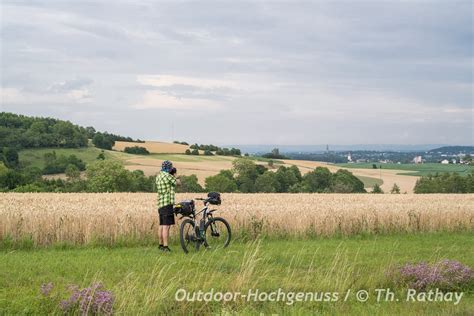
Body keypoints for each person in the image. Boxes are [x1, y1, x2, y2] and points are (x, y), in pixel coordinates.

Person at [156, 160, 177, 252]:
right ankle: (165, 247)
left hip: (160, 203)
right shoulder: (168, 176)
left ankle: (160, 245)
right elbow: (178, 183)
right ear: (169, 168)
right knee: (166, 226)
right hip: (167, 203)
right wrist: (174, 175)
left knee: (161, 225)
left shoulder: (158, 176)